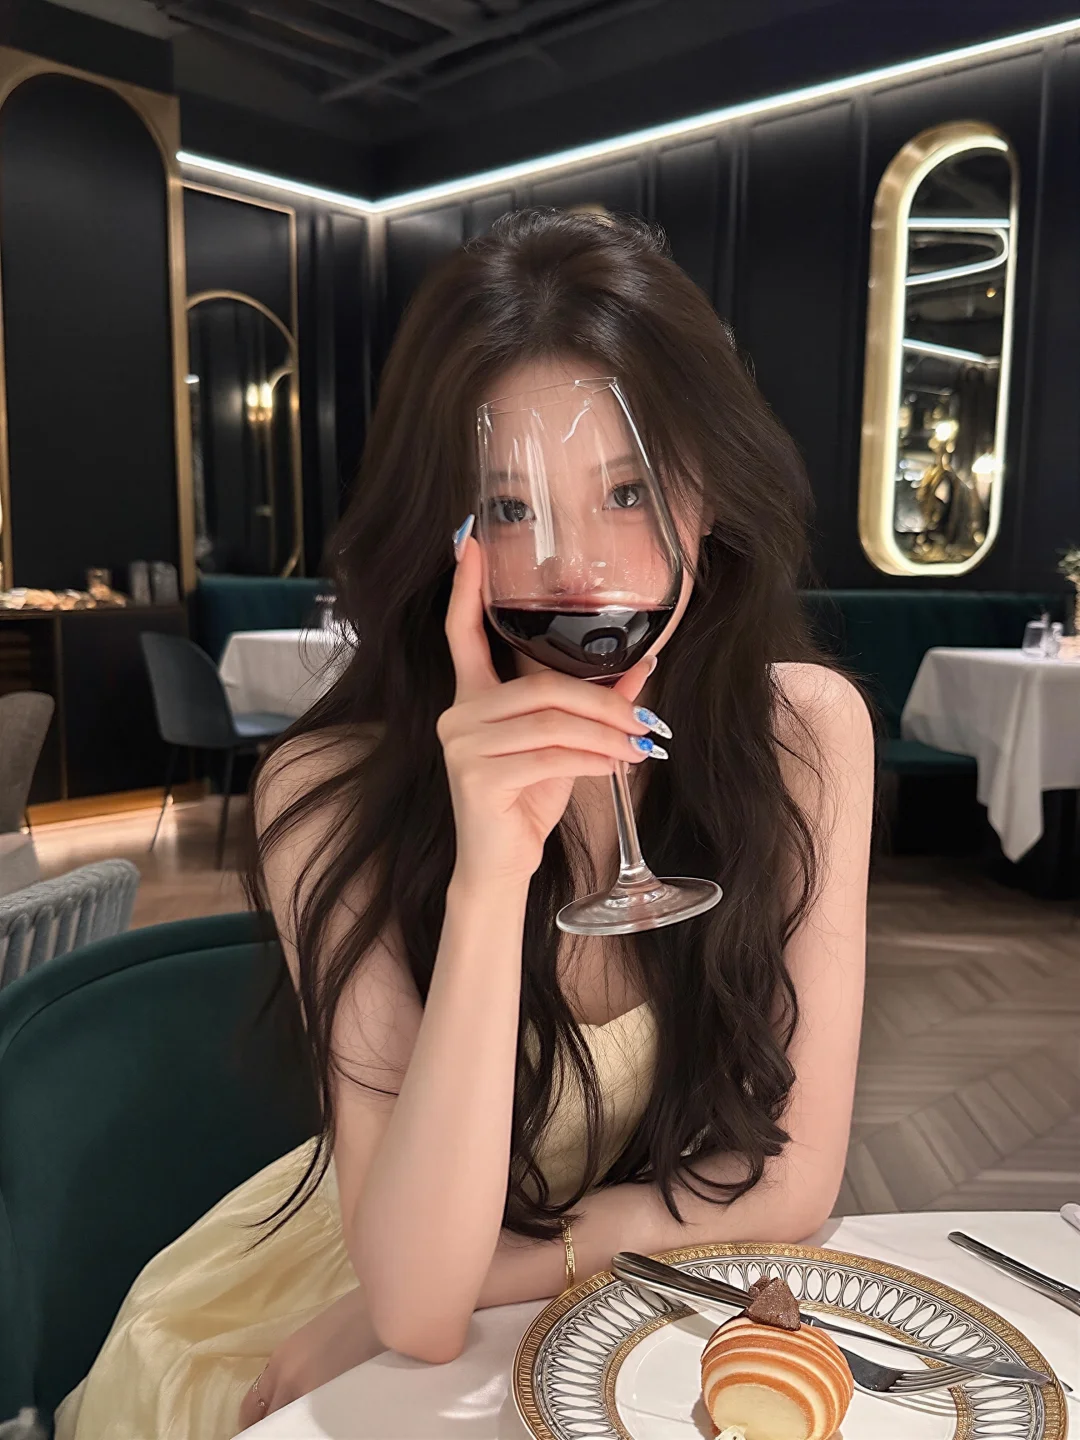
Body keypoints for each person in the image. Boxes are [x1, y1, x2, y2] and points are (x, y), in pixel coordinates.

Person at [55, 209, 872, 1439]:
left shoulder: (804, 737)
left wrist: (496, 1275)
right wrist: (493, 876)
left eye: (627, 491)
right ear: (450, 540)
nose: (576, 568)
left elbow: (794, 1182)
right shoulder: (328, 791)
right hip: (341, 1296)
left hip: (604, 1312)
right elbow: (421, 1307)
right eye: (509, 505)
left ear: (707, 496)